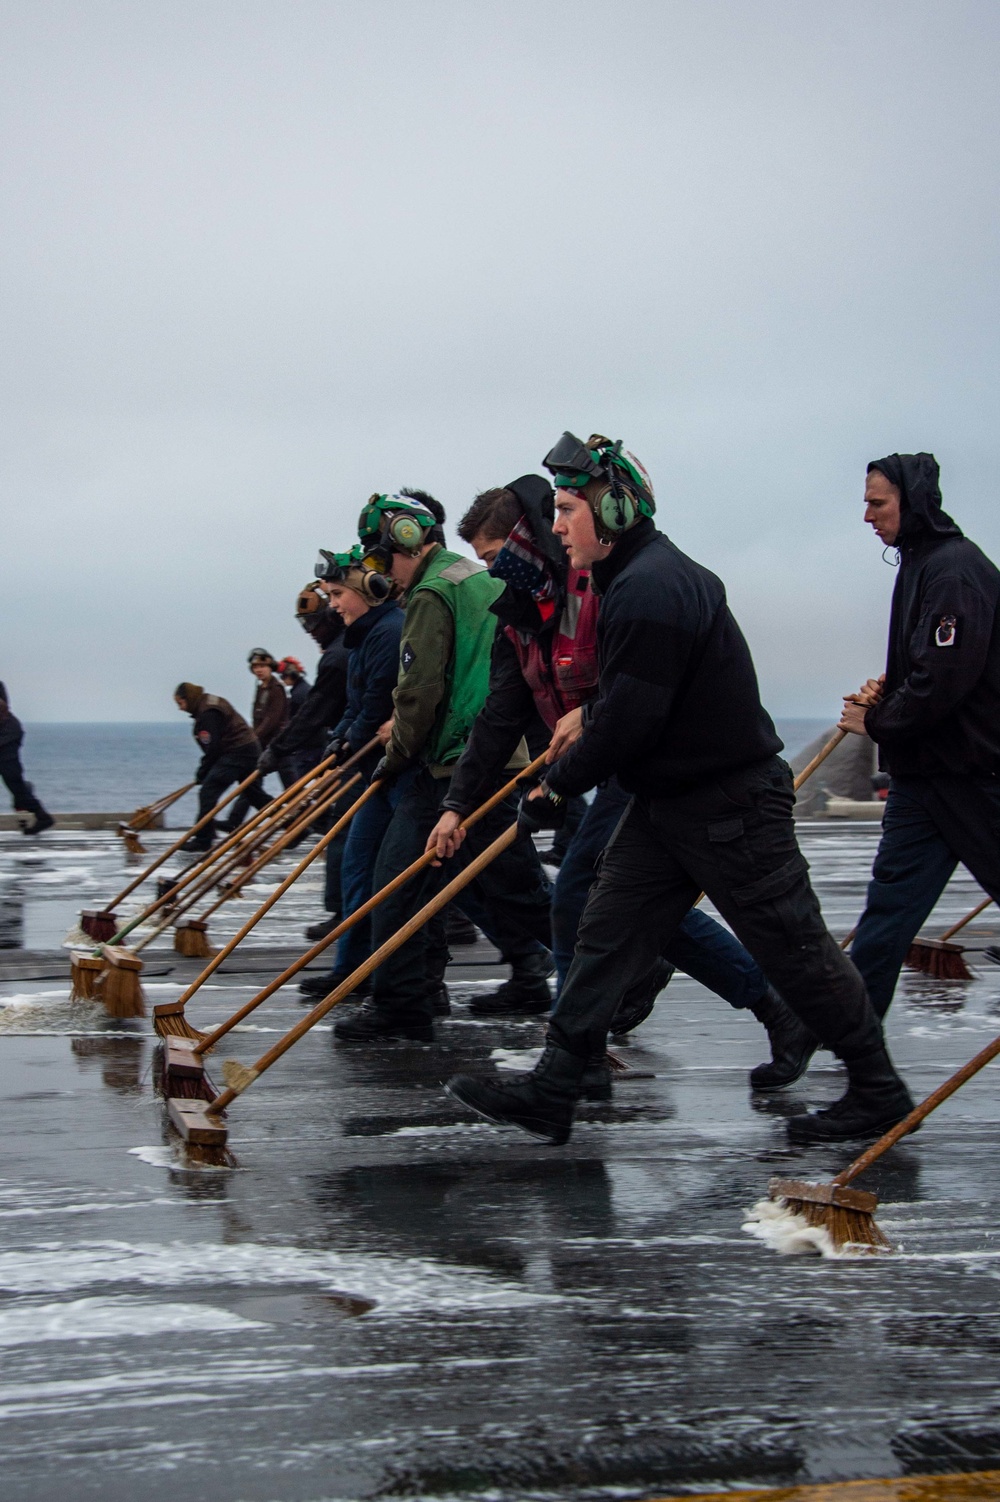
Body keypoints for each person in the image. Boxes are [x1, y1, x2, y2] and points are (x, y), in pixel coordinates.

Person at [447, 431, 914, 1145]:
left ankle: (877, 1089)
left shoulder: (651, 588)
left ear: (617, 511)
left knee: (795, 947)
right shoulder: (627, 580)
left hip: (729, 802)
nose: (561, 524)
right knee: (603, 934)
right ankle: (555, 1088)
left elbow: (630, 719)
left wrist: (554, 789)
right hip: (666, 799)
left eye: (571, 508)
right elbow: (624, 706)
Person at [426, 474, 814, 1095]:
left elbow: (647, 679)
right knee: (627, 905)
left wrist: (593, 715)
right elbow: (500, 717)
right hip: (609, 768)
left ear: (526, 542)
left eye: (497, 558)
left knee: (582, 894)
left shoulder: (598, 588)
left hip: (644, 759)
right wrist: (456, 807)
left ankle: (575, 1062)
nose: (494, 574)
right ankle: (766, 1008)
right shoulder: (518, 616)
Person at [332, 491, 552, 1044]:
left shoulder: (432, 592)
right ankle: (413, 997)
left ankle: (406, 1005)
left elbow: (418, 691)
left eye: (384, 560)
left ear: (408, 541)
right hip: (489, 756)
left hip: (455, 762)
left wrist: (396, 756)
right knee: (504, 888)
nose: (386, 577)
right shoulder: (477, 578)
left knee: (406, 885)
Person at [840, 453, 1000, 1020]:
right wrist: (892, 688)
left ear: (914, 504)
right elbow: (930, 668)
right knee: (884, 922)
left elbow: (944, 680)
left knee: (885, 920)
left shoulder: (955, 569)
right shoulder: (918, 563)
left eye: (877, 503)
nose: (867, 515)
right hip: (922, 780)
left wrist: (878, 722)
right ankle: (855, 1062)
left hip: (973, 777)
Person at [298, 544, 405, 1000]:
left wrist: (348, 746)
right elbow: (357, 708)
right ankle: (350, 970)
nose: (333, 603)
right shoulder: (360, 637)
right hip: (376, 771)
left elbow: (380, 703)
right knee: (358, 868)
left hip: (401, 772)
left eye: (338, 593)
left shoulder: (388, 632)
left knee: (473, 889)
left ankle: (532, 958)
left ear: (371, 587)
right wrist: (336, 744)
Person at [261, 586, 350, 936]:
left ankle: (344, 912)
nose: (311, 633)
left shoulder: (337, 656)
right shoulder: (348, 646)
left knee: (341, 832)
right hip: (349, 746)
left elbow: (314, 712)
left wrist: (278, 749)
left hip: (362, 753)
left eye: (314, 625)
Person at [174, 682, 271, 851]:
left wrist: (202, 772)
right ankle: (295, 824)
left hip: (237, 751)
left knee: (208, 791)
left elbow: (213, 748)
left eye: (180, 703)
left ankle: (203, 839)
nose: (180, 709)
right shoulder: (208, 703)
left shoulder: (207, 713)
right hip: (250, 748)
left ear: (188, 699)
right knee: (255, 795)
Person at [224, 650, 292, 830]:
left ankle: (309, 823)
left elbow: (272, 719)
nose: (259, 670)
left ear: (270, 667)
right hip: (263, 744)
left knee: (292, 788)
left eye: (262, 666)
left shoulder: (276, 689)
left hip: (277, 745)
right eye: (255, 667)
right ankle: (234, 821)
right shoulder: (261, 687)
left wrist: (253, 737)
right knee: (251, 783)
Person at [0, 683, 53, 835]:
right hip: (7, 732)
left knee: (13, 781)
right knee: (15, 784)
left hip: (7, 735)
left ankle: (42, 816)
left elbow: (3, 706)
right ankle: (39, 812)